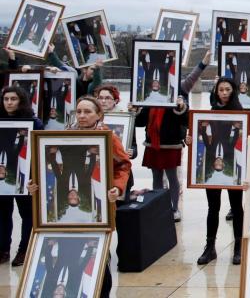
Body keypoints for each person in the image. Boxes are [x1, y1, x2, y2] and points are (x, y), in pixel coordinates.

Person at [29, 95, 131, 298]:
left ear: (98, 115)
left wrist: (117, 189)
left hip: (98, 208)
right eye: (79, 111)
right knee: (68, 252)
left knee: (100, 257)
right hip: (64, 208)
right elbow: (49, 170)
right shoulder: (62, 137)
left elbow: (123, 165)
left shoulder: (108, 137)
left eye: (88, 112)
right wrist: (35, 186)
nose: (82, 116)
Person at [133, 51, 209, 220]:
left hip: (171, 142)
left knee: (172, 177)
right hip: (152, 142)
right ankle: (159, 206)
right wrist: (135, 111)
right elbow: (140, 122)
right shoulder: (147, 95)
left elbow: (185, 118)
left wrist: (203, 63)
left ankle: (174, 208)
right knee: (156, 177)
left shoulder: (178, 89)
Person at [190, 77, 247, 266]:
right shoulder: (211, 113)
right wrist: (192, 139)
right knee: (213, 207)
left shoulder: (242, 113)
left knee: (237, 207)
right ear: (216, 92)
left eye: (227, 89)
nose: (224, 93)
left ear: (233, 91)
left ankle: (239, 246)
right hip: (212, 165)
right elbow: (205, 139)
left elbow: (246, 140)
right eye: (221, 89)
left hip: (234, 166)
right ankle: (210, 247)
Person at [0, 86, 42, 266]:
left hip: (26, 176)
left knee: (27, 214)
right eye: (6, 99)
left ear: (21, 101)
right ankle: (2, 249)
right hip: (2, 174)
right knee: (1, 214)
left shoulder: (34, 122)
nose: (9, 102)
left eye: (13, 99)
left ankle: (24, 249)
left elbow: (40, 149)